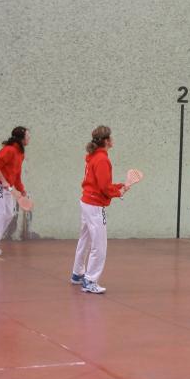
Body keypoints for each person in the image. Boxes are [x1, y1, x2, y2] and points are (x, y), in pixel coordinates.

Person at [70, 126, 128, 294]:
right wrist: (119, 192)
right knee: (99, 245)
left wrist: (119, 186)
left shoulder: (93, 156)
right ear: (106, 141)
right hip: (95, 206)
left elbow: (99, 183)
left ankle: (77, 274)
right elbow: (104, 188)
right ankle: (90, 280)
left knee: (85, 240)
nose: (113, 140)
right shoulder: (102, 159)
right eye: (111, 137)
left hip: (87, 201)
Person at [0, 126, 30, 256]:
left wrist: (21, 190)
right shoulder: (8, 150)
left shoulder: (20, 153)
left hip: (7, 186)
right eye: (27, 136)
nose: (29, 138)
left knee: (9, 214)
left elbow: (17, 174)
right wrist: (3, 181)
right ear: (21, 138)